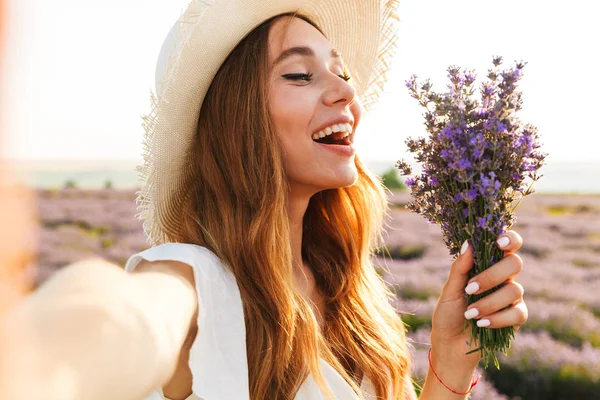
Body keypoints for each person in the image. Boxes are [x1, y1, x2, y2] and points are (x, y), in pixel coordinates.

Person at [0, 0, 528, 399]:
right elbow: (122, 318)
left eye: (341, 71)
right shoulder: (194, 280)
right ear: (239, 122)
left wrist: (452, 358)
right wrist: (40, 363)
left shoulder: (350, 294)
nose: (345, 90)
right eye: (299, 73)